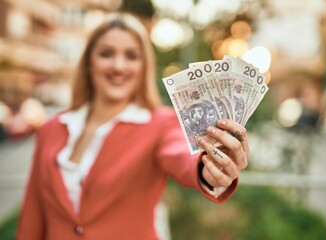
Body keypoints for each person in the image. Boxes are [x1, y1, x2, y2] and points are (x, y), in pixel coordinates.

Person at [16, 13, 249, 240]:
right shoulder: (51, 128)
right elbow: (32, 216)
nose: (119, 66)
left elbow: (181, 156)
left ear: (143, 66)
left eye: (131, 56)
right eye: (106, 54)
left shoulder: (160, 124)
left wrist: (207, 170)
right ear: (88, 62)